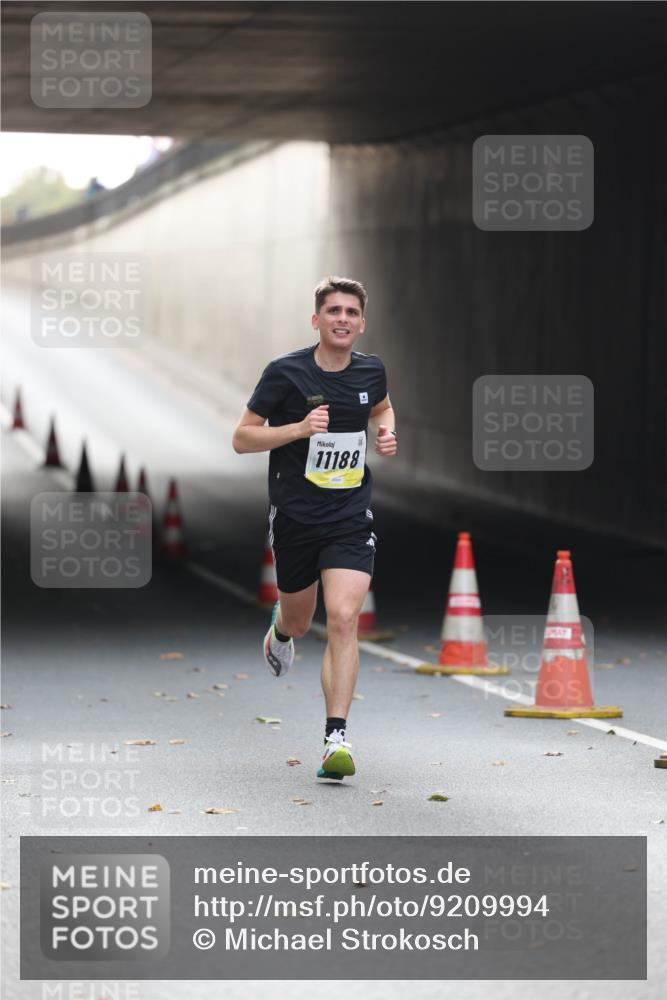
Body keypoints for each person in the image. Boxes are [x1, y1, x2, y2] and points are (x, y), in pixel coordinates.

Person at [232, 276, 397, 780]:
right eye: (333, 311)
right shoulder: (285, 372)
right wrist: (299, 429)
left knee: (344, 618)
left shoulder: (371, 370)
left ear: (361, 323)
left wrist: (387, 432)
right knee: (302, 622)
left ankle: (335, 740)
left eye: (351, 312)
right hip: (296, 517)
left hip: (349, 515)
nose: (342, 319)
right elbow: (242, 437)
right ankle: (281, 629)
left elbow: (381, 407)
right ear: (316, 320)